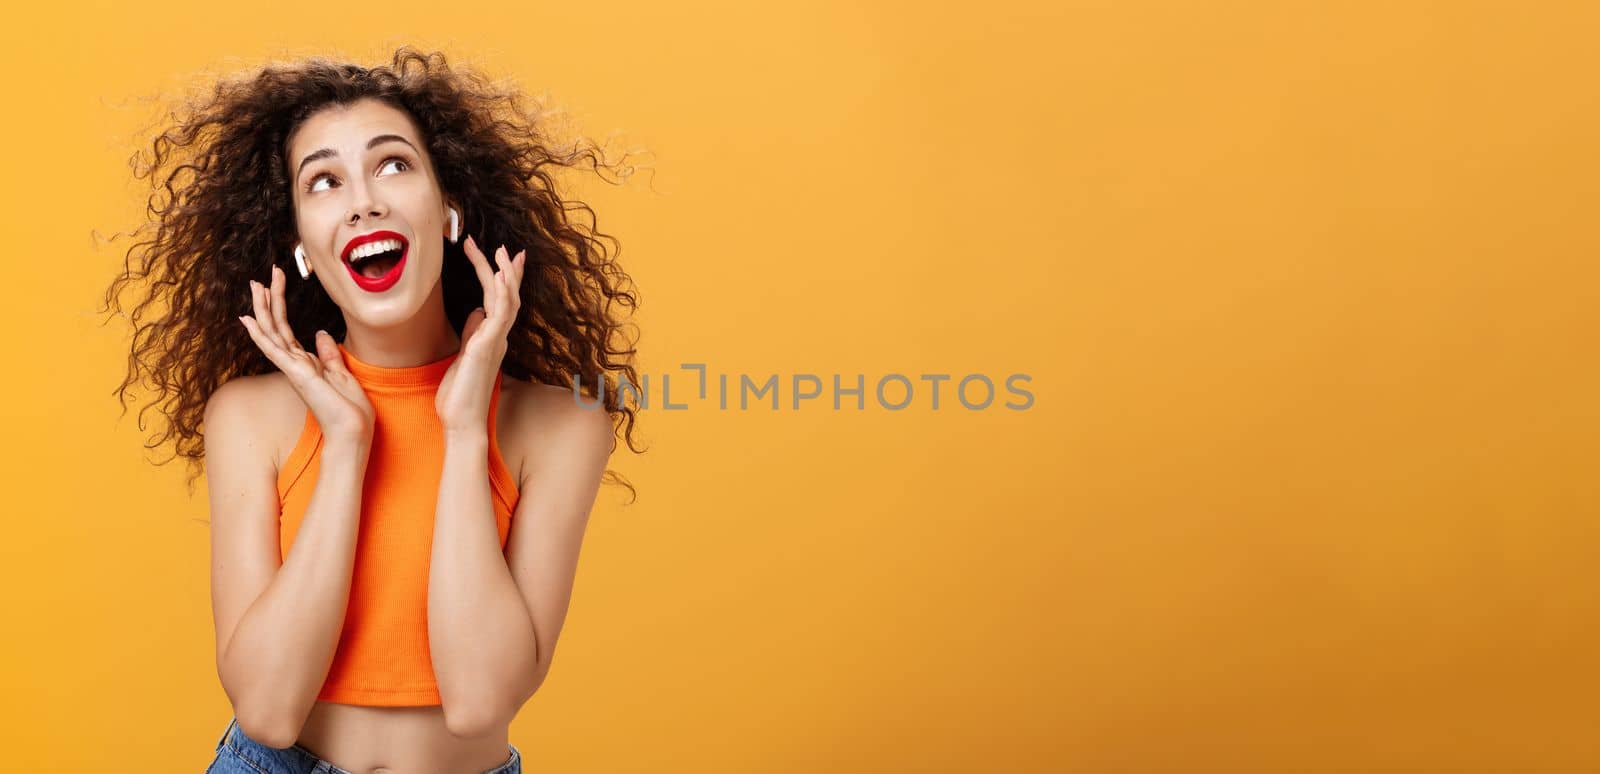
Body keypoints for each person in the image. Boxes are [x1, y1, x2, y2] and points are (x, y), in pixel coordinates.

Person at [100, 47, 645, 773]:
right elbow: (265, 710)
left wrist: (461, 432)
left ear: (448, 208)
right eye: (323, 180)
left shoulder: (560, 426)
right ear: (299, 242)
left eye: (393, 165)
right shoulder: (249, 417)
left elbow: (480, 699)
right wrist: (347, 445)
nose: (364, 200)